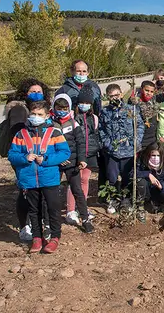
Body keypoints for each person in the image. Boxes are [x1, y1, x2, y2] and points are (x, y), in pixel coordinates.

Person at [7, 100, 71, 254]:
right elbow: (12, 155)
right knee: (34, 209)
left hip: (49, 178)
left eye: (40, 114)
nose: (35, 117)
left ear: (47, 115)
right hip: (29, 178)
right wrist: (24, 158)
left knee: (53, 208)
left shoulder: (54, 133)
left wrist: (46, 160)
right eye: (33, 114)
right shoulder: (21, 134)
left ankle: (55, 237)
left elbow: (64, 152)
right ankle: (37, 237)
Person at [1, 78, 51, 242]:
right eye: (32, 91)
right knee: (25, 190)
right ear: (25, 93)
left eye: (39, 91)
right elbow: (18, 132)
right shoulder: (18, 109)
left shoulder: (42, 108)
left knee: (39, 189)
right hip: (24, 156)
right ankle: (24, 227)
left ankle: (39, 222)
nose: (36, 94)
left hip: (39, 155)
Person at [99, 84, 145, 214]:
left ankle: (126, 200)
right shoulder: (105, 112)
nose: (115, 98)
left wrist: (136, 141)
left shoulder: (131, 109)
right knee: (112, 177)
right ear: (108, 97)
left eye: (117, 95)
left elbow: (140, 126)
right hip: (112, 152)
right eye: (111, 96)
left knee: (127, 177)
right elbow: (101, 130)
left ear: (121, 94)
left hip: (128, 151)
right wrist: (107, 144)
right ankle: (113, 199)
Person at [50, 94, 93, 233]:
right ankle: (49, 221)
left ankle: (85, 219)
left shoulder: (74, 124)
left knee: (77, 190)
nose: (62, 111)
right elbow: (47, 145)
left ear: (69, 108)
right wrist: (57, 158)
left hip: (72, 163)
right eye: (59, 108)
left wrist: (82, 159)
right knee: (51, 192)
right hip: (55, 164)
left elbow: (80, 143)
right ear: (54, 108)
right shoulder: (49, 124)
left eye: (65, 108)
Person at [72, 87, 99, 232]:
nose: (84, 105)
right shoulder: (73, 118)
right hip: (77, 153)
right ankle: (71, 209)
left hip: (90, 153)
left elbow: (95, 134)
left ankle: (83, 207)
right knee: (74, 181)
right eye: (82, 102)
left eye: (87, 103)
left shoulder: (93, 118)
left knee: (85, 180)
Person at [135, 143, 164, 215]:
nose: (156, 158)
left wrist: (162, 186)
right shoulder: (142, 160)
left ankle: (158, 203)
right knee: (141, 181)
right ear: (148, 154)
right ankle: (142, 203)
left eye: (158, 155)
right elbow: (133, 173)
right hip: (146, 187)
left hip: (158, 188)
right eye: (153, 155)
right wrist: (148, 174)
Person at [131, 80, 159, 151]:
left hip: (152, 140)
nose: (149, 93)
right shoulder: (134, 104)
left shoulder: (153, 102)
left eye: (151, 91)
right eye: (146, 90)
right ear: (141, 89)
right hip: (140, 140)